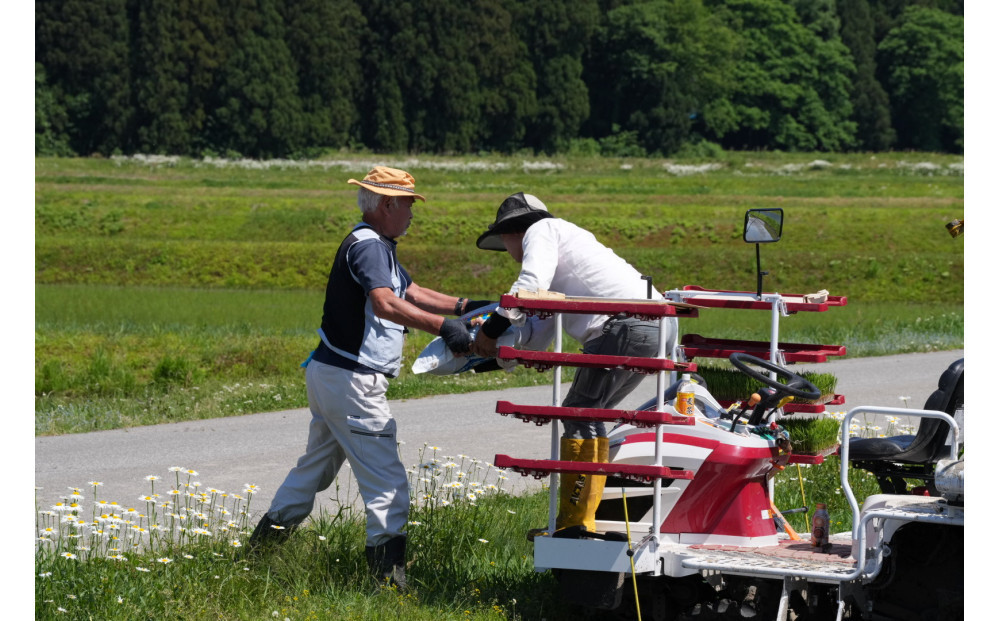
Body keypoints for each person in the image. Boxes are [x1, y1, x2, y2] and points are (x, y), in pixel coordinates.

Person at [247, 166, 489, 590]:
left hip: (331, 375)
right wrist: (445, 328)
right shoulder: (370, 247)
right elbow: (384, 303)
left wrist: (465, 305)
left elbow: (410, 293)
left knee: (314, 471)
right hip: (354, 383)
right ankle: (387, 577)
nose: (413, 212)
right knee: (386, 479)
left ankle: (259, 553)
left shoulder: (377, 245)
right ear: (387, 204)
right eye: (409, 204)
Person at [470, 192, 672, 535]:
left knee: (578, 411)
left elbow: (527, 286)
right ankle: (582, 519)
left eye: (504, 243)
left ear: (510, 234)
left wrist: (490, 330)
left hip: (624, 325)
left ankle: (576, 523)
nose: (507, 253)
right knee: (592, 414)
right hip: (656, 326)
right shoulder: (561, 249)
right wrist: (489, 349)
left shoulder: (542, 231)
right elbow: (537, 335)